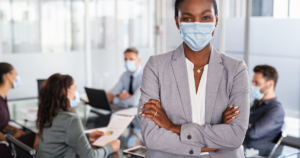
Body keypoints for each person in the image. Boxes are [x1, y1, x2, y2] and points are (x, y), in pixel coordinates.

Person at [138, 0, 250, 157]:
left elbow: (235, 136)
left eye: (205, 18)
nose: (197, 25)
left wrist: (172, 127)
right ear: (177, 22)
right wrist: (216, 135)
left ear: (216, 20)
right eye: (188, 19)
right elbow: (151, 137)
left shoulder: (236, 69)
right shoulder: (156, 66)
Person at [36, 73, 120, 158]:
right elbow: (90, 156)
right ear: (65, 91)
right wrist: (110, 147)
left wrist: (86, 136)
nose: (75, 94)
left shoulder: (47, 113)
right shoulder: (71, 120)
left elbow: (59, 139)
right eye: (75, 88)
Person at [244, 65, 285, 157]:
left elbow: (252, 133)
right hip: (244, 149)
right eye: (252, 82)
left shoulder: (276, 109)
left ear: (270, 84)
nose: (252, 86)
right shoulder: (256, 104)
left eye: (256, 83)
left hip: (257, 154)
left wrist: (237, 124)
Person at [106, 47, 143, 147]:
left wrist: (116, 99)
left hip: (141, 119)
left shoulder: (145, 75)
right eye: (125, 59)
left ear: (138, 60)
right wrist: (120, 95)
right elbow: (110, 94)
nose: (128, 62)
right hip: (126, 116)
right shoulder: (125, 75)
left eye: (131, 59)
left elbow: (135, 101)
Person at [0, 62, 38, 157]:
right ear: (8, 76)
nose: (17, 77)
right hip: (3, 144)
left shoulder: (3, 96)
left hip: (6, 138)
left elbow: (2, 122)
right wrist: (13, 138)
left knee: (36, 135)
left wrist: (16, 129)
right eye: (15, 74)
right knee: (38, 136)